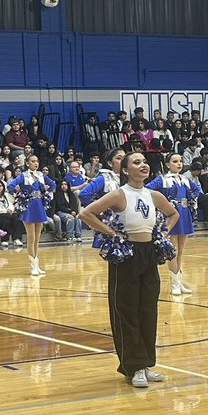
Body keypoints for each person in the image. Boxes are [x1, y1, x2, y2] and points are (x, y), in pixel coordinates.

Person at [79, 151, 179, 389]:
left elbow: (174, 214)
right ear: (125, 170)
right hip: (126, 255)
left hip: (148, 254)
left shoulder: (154, 195)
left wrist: (162, 234)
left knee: (147, 310)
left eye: (144, 162)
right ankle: (132, 367)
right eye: (136, 162)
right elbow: (86, 213)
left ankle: (145, 364)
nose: (143, 165)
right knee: (126, 311)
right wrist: (112, 233)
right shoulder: (119, 194)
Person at [147, 152, 202, 295]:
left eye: (180, 161)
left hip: (184, 214)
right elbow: (147, 190)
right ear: (167, 164)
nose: (179, 164)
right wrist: (162, 203)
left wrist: (190, 200)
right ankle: (175, 284)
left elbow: (197, 190)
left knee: (181, 252)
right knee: (172, 250)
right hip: (170, 215)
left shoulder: (184, 179)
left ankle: (180, 282)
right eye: (175, 161)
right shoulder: (162, 179)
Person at [8, 155, 55, 277]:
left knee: (38, 238)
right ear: (27, 163)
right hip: (28, 207)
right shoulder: (23, 175)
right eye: (33, 161)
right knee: (31, 237)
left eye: (37, 161)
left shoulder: (41, 175)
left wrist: (47, 191)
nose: (35, 163)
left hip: (39, 205)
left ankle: (37, 264)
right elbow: (10, 186)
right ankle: (32, 265)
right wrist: (18, 193)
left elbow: (53, 184)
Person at [0, 179, 24, 246]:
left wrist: (10, 209)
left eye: (0, 186)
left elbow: (11, 204)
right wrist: (6, 211)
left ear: (3, 187)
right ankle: (4, 240)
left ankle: (16, 239)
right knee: (8, 219)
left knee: (15, 219)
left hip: (8, 214)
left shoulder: (6, 195)